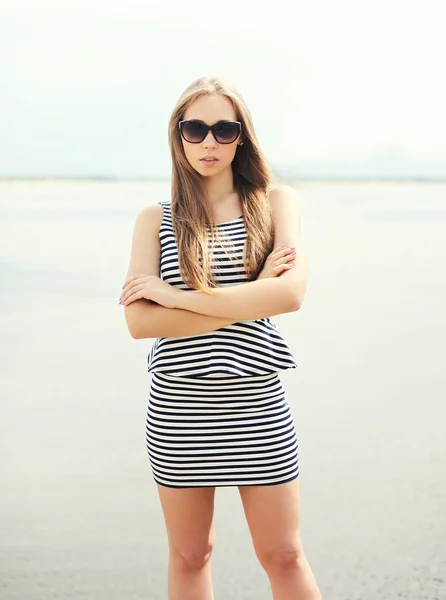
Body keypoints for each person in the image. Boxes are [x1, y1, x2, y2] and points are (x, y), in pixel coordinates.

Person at [120, 75, 322, 600]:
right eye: (196, 129)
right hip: (180, 408)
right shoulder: (154, 219)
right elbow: (141, 324)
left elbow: (291, 296)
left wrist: (179, 297)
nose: (209, 142)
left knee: (283, 554)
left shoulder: (276, 203)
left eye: (224, 129)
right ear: (179, 135)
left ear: (241, 137)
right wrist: (253, 295)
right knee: (191, 555)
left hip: (257, 403)